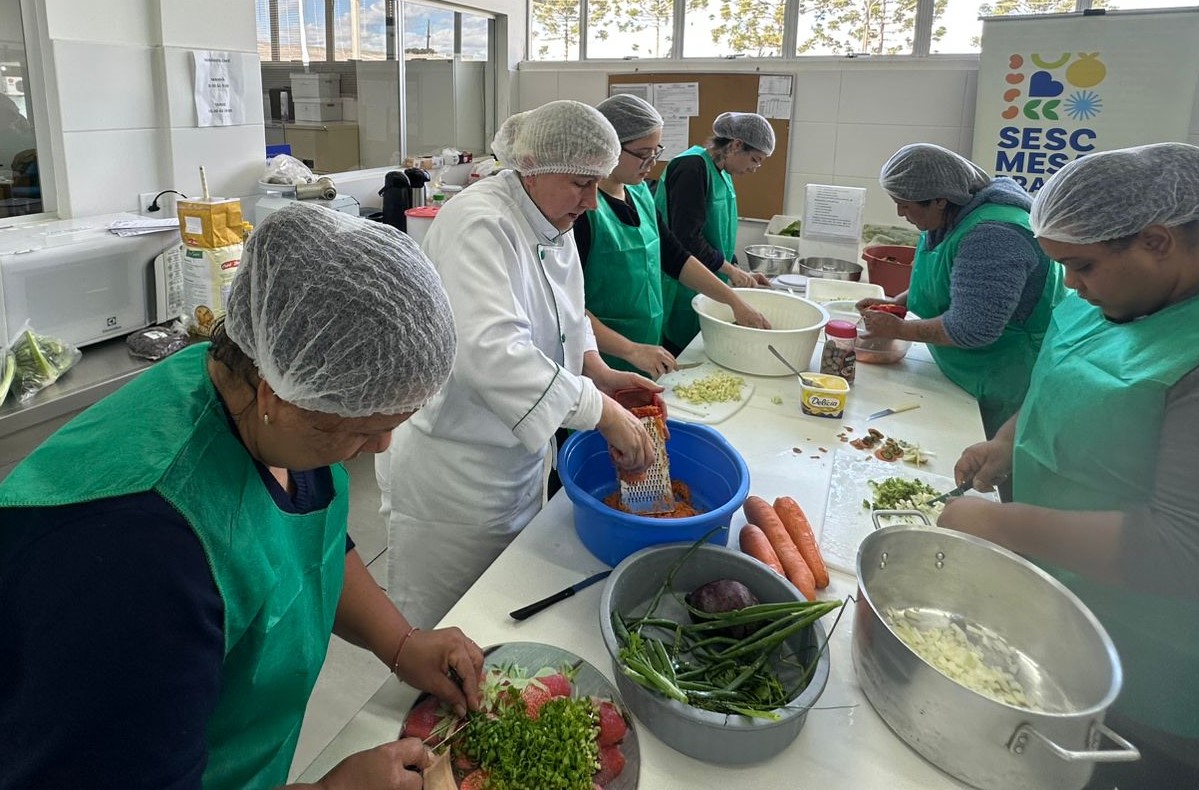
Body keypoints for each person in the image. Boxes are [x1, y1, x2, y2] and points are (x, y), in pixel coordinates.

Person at [0, 202, 486, 790]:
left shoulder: (259, 403)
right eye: (362, 427)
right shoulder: (139, 558)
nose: (380, 446)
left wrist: (401, 642)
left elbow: (310, 540)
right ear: (278, 397)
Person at [937, 143, 1199, 789]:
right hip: (1085, 616)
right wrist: (1011, 441)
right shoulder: (1116, 291)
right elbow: (1063, 373)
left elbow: (1194, 551)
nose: (1069, 284)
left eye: (1080, 266)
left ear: (1157, 241)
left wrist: (998, 527)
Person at [379, 100, 661, 629]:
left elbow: (568, 312)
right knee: (447, 626)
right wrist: (599, 410)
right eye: (581, 183)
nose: (592, 202)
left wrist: (597, 370)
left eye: (596, 183)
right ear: (533, 164)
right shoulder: (480, 222)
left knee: (501, 617)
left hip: (516, 462)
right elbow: (491, 353)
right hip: (456, 474)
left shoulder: (553, 215)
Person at [856, 143, 1066, 439]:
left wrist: (899, 329)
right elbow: (951, 282)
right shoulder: (952, 216)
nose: (900, 212)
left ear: (940, 200)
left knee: (984, 473)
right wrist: (895, 304)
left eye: (905, 203)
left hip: (1003, 379)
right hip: (960, 370)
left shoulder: (994, 236)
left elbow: (973, 328)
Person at [577, 94, 771, 377]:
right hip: (600, 360)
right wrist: (630, 349)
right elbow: (568, 305)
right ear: (608, 146)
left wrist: (734, 301)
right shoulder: (583, 209)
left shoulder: (639, 192)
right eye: (643, 154)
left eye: (656, 151)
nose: (652, 163)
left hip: (645, 348)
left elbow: (675, 257)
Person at [655, 111, 776, 353]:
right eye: (755, 159)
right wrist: (730, 270)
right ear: (736, 145)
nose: (756, 168)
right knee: (682, 351)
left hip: (708, 281)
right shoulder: (691, 167)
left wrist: (740, 273)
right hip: (680, 284)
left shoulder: (723, 172)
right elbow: (686, 239)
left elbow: (718, 236)